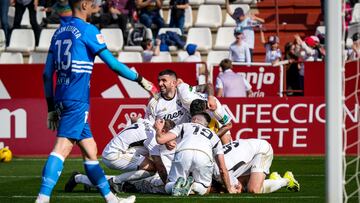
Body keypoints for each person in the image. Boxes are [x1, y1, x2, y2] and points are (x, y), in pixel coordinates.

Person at [37, 0, 157, 202]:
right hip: (77, 99)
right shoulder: (88, 30)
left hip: (62, 96)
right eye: (93, 2)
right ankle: (42, 198)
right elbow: (114, 65)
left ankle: (112, 199)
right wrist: (140, 80)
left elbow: (47, 75)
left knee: (90, 151)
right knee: (62, 148)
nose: (97, 5)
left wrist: (51, 107)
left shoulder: (58, 34)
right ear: (83, 5)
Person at [64, 118, 175, 193]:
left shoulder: (147, 121)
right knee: (152, 168)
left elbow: (135, 119)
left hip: (112, 149)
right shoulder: (152, 138)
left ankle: (79, 178)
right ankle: (116, 181)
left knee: (145, 160)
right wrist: (167, 185)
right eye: (169, 136)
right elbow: (160, 168)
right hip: (114, 155)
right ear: (163, 131)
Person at [155, 113, 237, 196]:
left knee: (169, 184)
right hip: (204, 156)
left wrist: (158, 128)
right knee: (205, 189)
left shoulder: (184, 126)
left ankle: (175, 185)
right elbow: (222, 169)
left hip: (184, 152)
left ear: (194, 120)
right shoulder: (215, 137)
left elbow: (160, 140)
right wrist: (229, 188)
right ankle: (193, 187)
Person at [212, 139, 300, 194]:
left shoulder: (217, 171)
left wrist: (224, 188)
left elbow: (237, 189)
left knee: (253, 190)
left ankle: (286, 181)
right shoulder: (211, 163)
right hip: (249, 151)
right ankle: (272, 179)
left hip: (261, 150)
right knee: (242, 184)